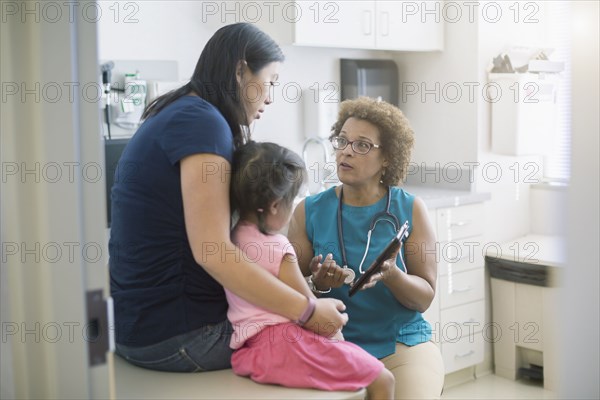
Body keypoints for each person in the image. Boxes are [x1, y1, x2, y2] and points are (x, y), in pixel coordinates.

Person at [108, 22, 347, 372]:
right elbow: (213, 252)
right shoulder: (203, 123)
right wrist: (309, 311)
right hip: (182, 335)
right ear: (240, 71)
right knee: (337, 350)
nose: (270, 97)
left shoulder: (176, 111)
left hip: (139, 330)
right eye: (270, 82)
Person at [288, 96, 445, 399]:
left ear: (387, 157)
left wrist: (392, 275)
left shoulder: (411, 209)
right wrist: (318, 286)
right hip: (334, 343)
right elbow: (290, 292)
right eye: (342, 141)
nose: (346, 151)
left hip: (401, 345)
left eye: (362, 145)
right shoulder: (308, 211)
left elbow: (425, 296)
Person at [227, 141, 394, 398]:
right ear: (274, 206)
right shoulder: (278, 247)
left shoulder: (232, 238)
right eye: (291, 200)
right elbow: (313, 310)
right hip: (288, 346)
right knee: (383, 378)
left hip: (251, 350)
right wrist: (339, 337)